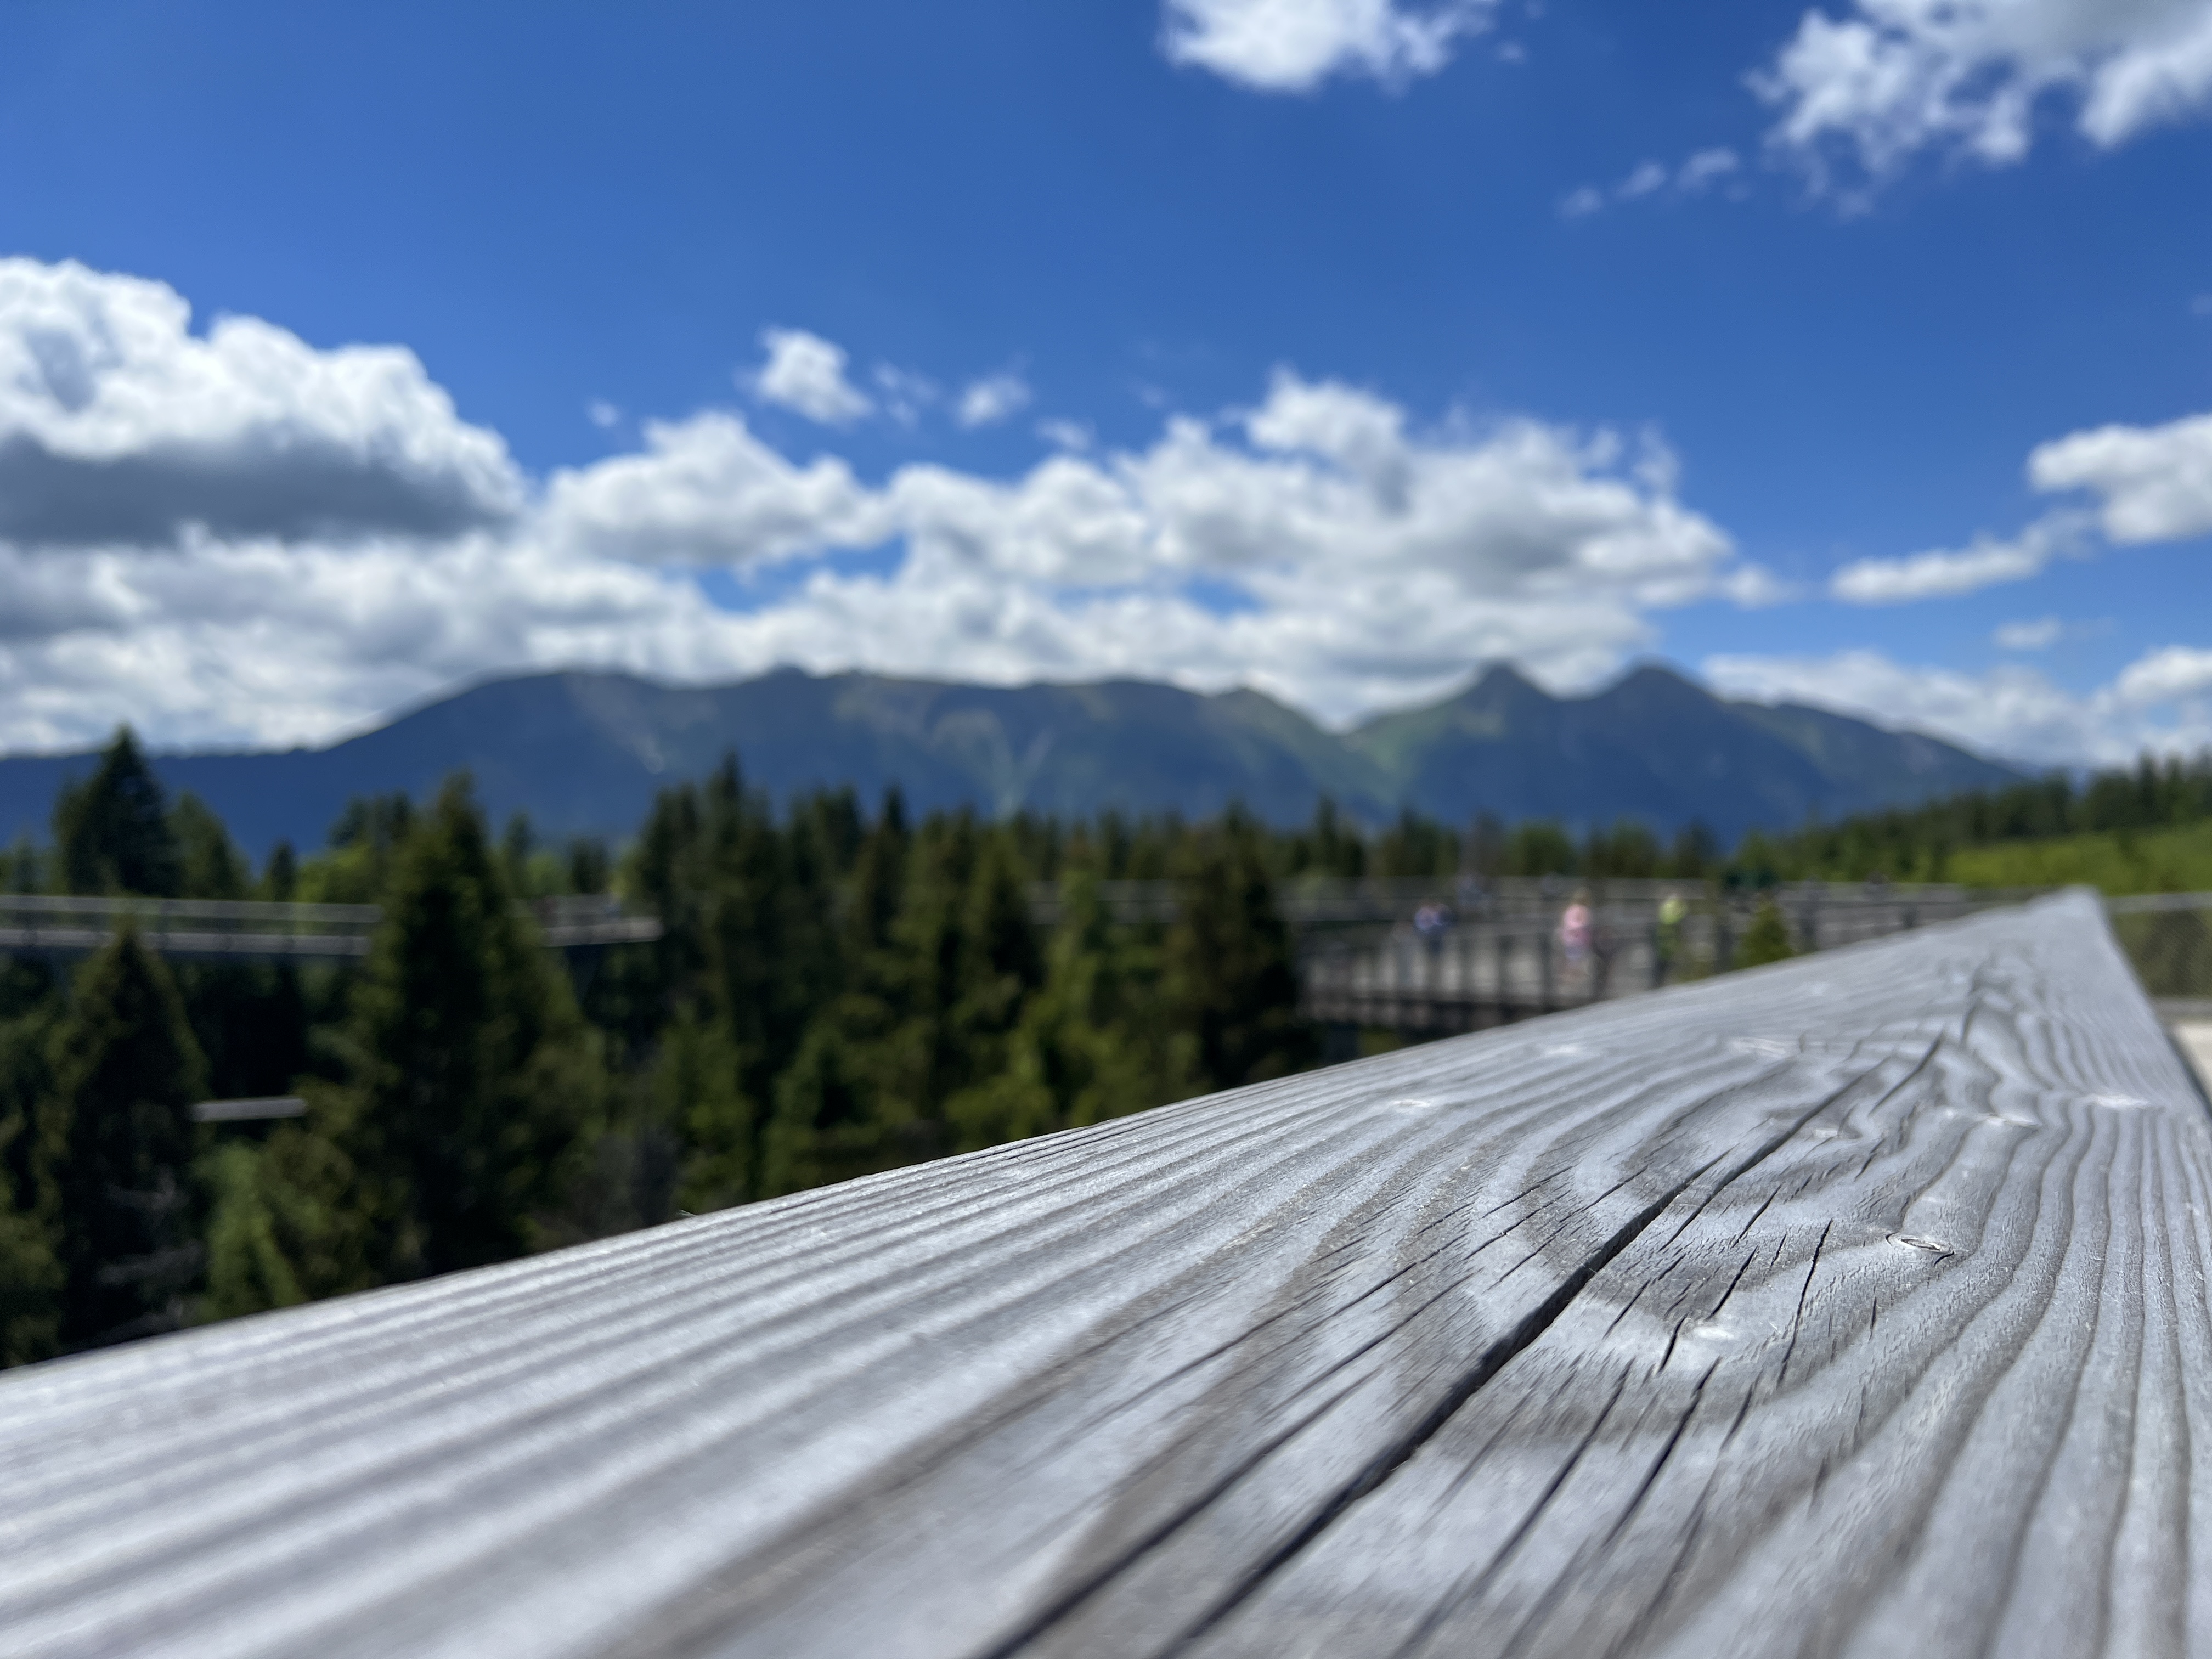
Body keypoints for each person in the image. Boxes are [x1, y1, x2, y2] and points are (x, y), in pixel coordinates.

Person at [1559, 889, 1593, 978]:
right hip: (1577, 939)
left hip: (1573, 938)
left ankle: (1573, 980)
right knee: (1574, 962)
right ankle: (1573, 980)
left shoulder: (1571, 909)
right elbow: (1583, 923)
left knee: (1574, 962)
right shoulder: (1581, 910)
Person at [1655, 888, 1687, 983]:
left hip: (1667, 937)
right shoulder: (1677, 906)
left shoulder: (1667, 904)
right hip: (1669, 937)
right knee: (1666, 962)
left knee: (1665, 963)